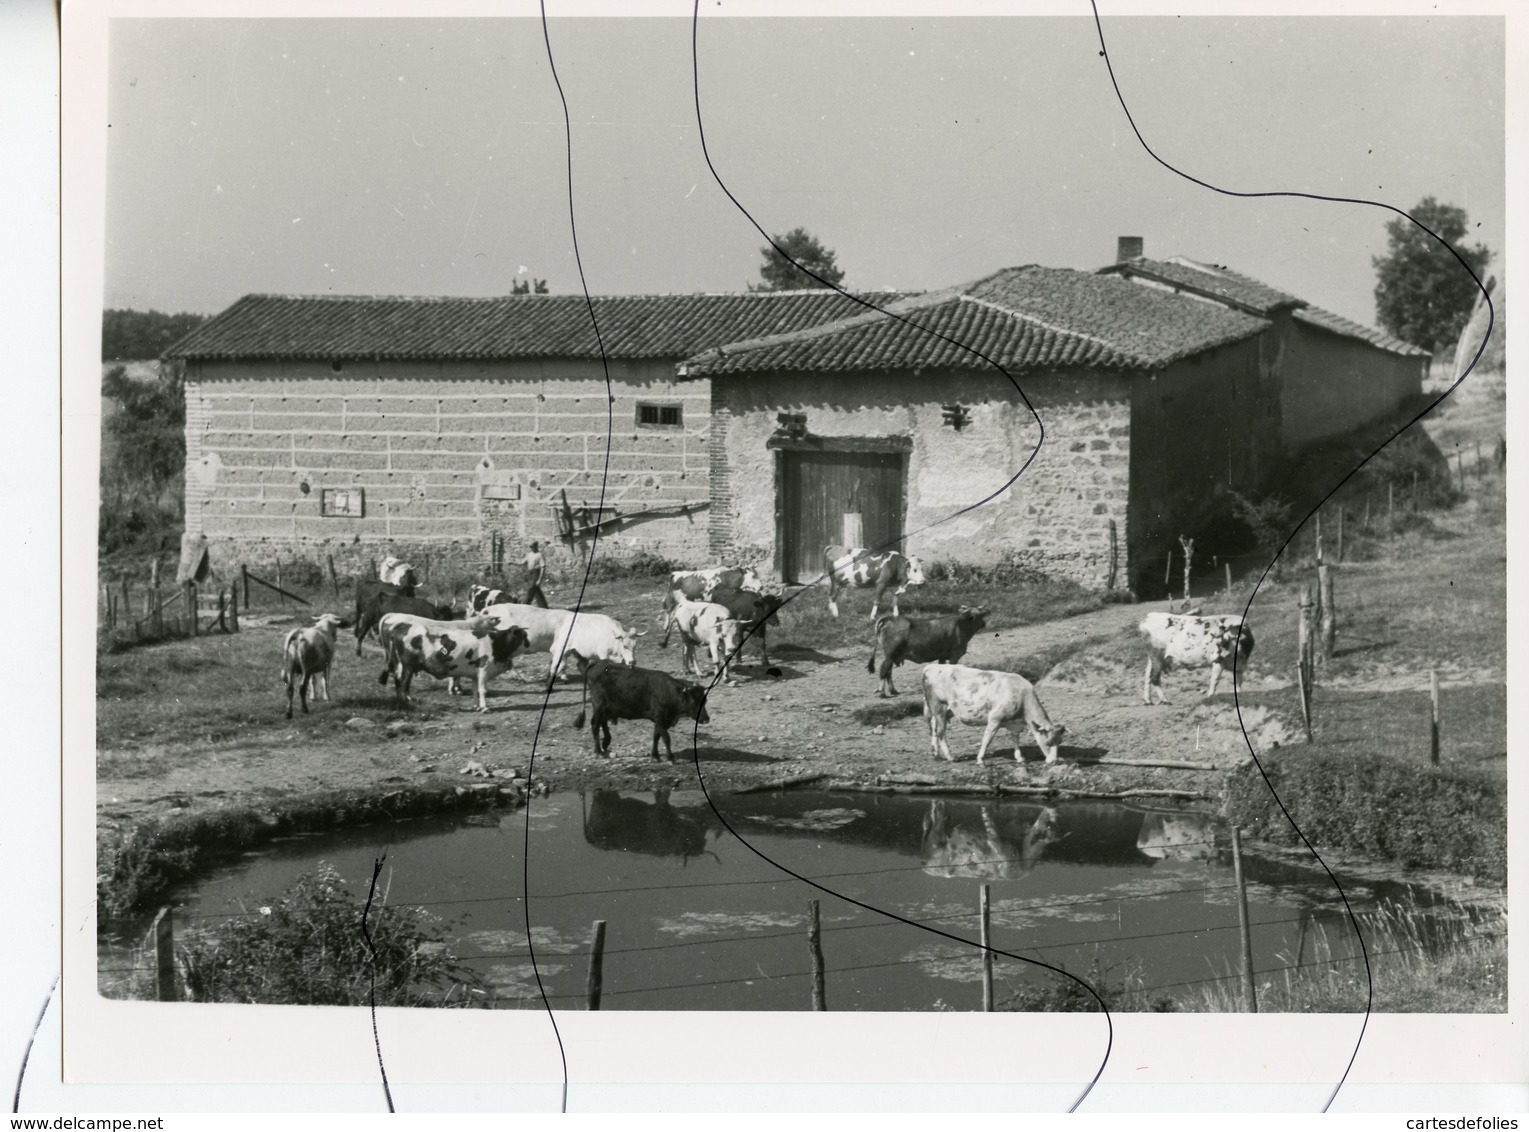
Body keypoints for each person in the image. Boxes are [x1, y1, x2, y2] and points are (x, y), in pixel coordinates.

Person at [523, 541, 548, 608]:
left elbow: (543, 567)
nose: (531, 548)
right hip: (530, 573)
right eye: (530, 547)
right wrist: (512, 562)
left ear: (536, 546)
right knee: (536, 590)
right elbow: (522, 562)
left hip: (536, 573)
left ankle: (525, 605)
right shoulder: (529, 554)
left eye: (532, 547)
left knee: (531, 589)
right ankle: (544, 606)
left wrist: (540, 579)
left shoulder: (539, 555)